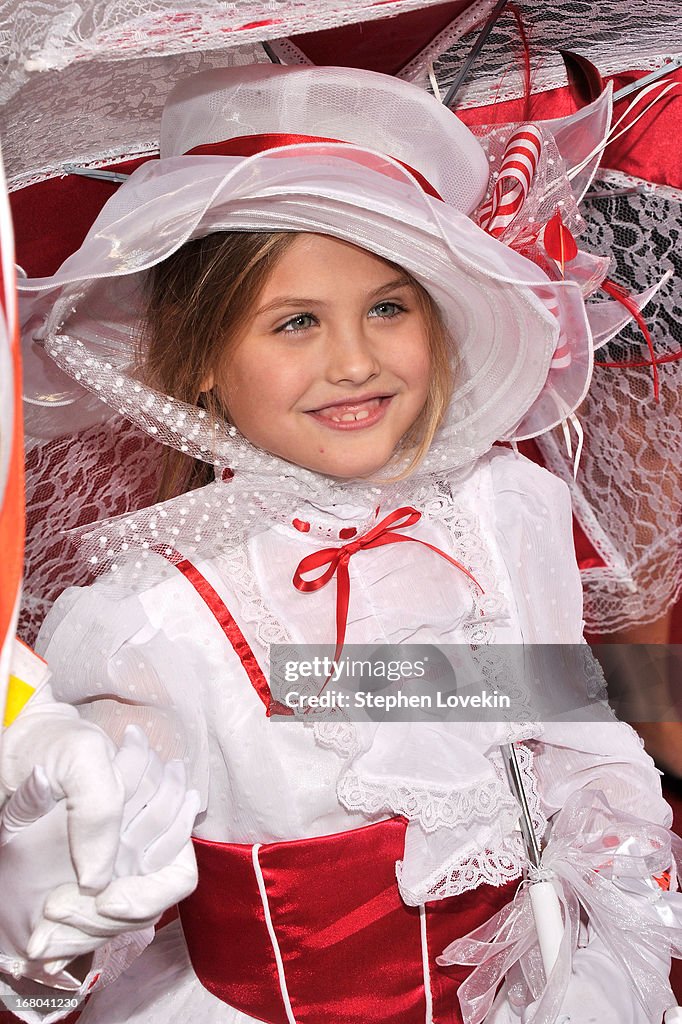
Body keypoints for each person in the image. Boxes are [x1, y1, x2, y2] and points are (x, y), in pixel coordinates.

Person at [4, 63, 682, 1024]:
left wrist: (608, 944)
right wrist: (56, 880)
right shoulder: (153, 618)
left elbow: (575, 731)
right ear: (198, 361)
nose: (356, 360)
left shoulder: (500, 509)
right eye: (295, 322)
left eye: (388, 306)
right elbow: (93, 904)